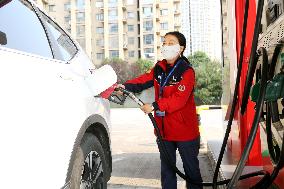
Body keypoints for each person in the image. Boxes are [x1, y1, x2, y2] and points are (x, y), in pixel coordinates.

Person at [116, 31, 202, 189]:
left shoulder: (187, 71)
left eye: (171, 43)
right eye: (164, 43)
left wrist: (155, 106)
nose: (166, 46)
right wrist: (125, 86)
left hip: (185, 132)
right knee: (167, 171)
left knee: (192, 172)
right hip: (164, 131)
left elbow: (179, 100)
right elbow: (143, 80)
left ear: (181, 48)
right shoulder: (159, 68)